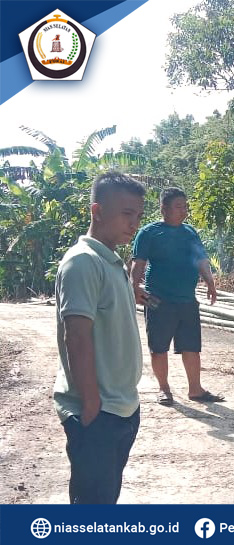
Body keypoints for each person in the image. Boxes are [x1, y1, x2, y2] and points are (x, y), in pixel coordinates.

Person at [54, 171, 146, 503]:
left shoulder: (112, 261)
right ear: (97, 211)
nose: (134, 223)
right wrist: (91, 404)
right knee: (92, 510)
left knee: (105, 501)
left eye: (138, 215)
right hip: (99, 413)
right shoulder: (83, 262)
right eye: (126, 213)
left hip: (121, 406)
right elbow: (76, 337)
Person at [130, 187, 224, 405]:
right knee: (158, 347)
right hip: (158, 300)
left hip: (187, 300)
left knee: (191, 346)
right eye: (179, 207)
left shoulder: (190, 232)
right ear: (164, 209)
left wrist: (210, 282)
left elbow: (201, 260)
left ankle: (195, 389)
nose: (184, 211)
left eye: (185, 206)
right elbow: (138, 263)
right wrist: (133, 287)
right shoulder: (149, 233)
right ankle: (164, 389)